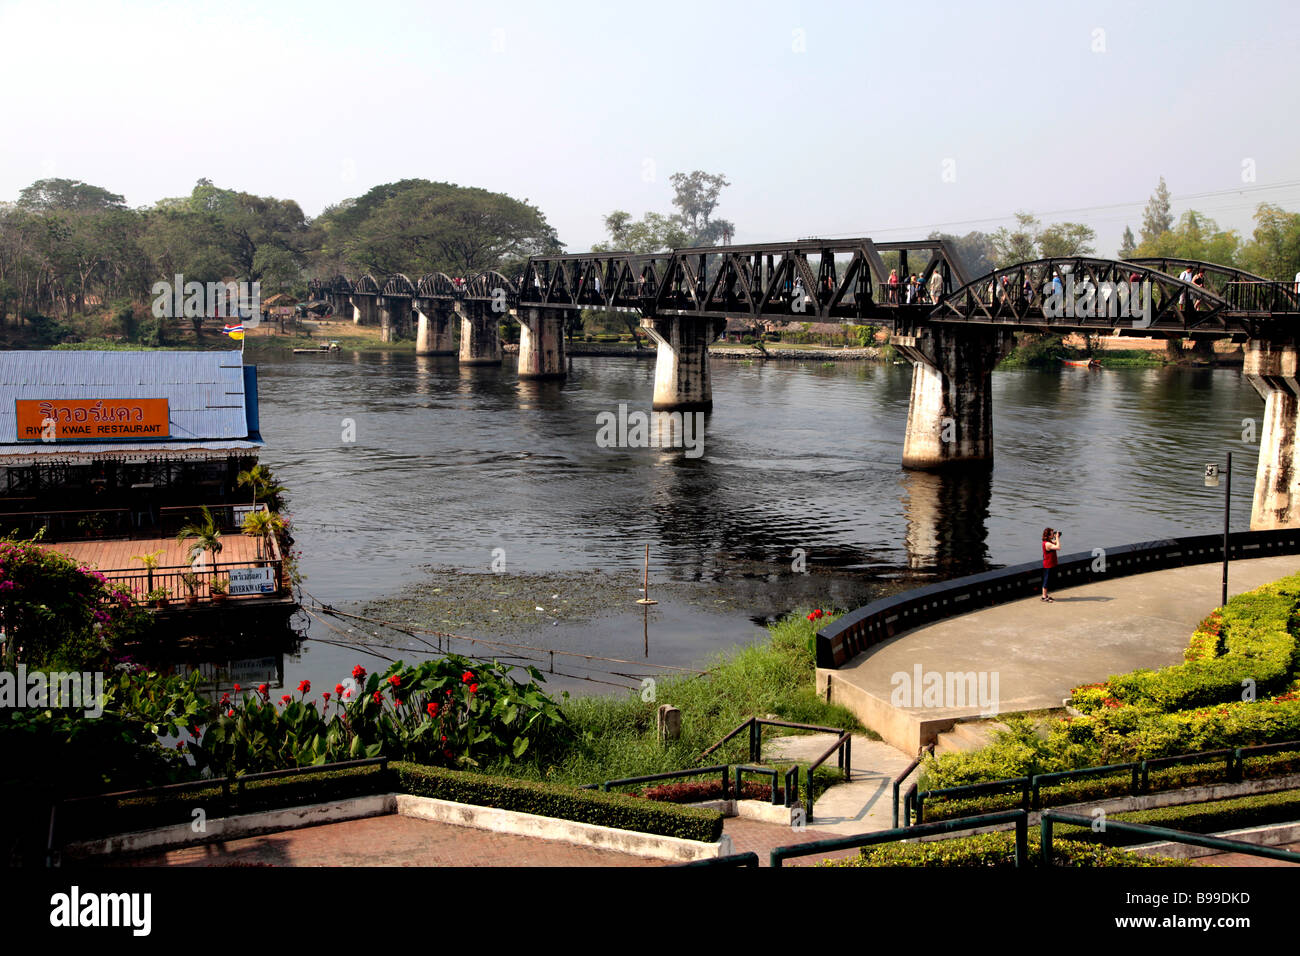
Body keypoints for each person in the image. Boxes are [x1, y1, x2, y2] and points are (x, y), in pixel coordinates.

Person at [1041, 527, 1061, 602]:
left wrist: (1057, 537)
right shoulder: (1047, 544)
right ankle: (1044, 597)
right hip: (1048, 565)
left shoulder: (1049, 541)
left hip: (1051, 564)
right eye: (1052, 534)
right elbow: (1058, 547)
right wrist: (1057, 538)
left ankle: (1046, 595)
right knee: (1046, 580)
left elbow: (1054, 543)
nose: (1053, 535)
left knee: (1048, 580)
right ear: (1049, 536)